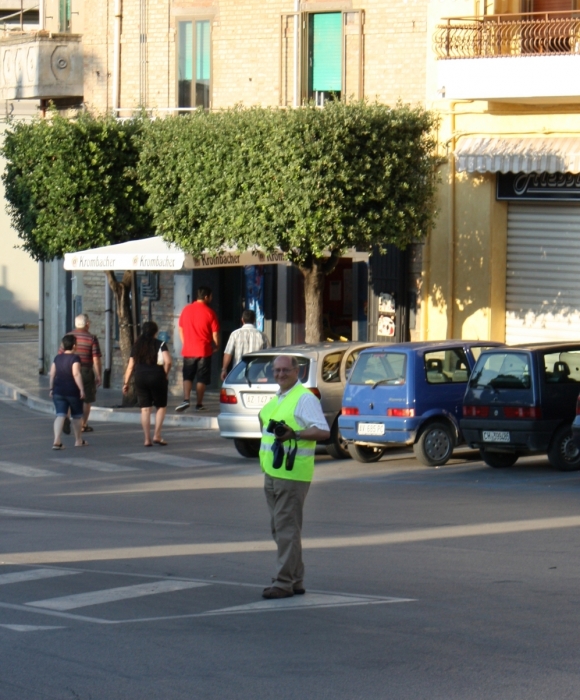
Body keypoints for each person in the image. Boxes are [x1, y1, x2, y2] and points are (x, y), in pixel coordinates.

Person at [258, 354, 330, 600]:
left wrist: (296, 434)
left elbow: (322, 431)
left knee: (286, 528)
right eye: (276, 371)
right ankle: (295, 579)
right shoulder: (281, 397)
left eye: (285, 370)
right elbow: (264, 420)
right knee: (281, 528)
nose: (280, 375)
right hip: (273, 471)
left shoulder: (304, 398)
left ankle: (284, 582)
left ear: (296, 372)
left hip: (292, 473)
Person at [122, 321, 172, 447]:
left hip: (140, 377)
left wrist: (126, 383)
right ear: (155, 332)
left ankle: (146, 439)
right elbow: (168, 361)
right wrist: (165, 374)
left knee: (145, 409)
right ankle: (157, 435)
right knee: (160, 406)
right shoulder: (160, 344)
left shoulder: (137, 346)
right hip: (157, 376)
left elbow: (130, 366)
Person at [175, 286, 220, 412]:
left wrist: (186, 342)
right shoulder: (210, 312)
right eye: (211, 296)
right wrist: (216, 345)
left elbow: (180, 329)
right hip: (204, 350)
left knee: (188, 376)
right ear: (206, 297)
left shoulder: (186, 310)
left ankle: (186, 399)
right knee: (201, 377)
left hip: (189, 350)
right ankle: (199, 404)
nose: (211, 299)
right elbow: (215, 333)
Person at [61, 313, 102, 433]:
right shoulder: (91, 338)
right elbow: (96, 358)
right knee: (86, 399)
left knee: (69, 396)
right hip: (85, 371)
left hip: (68, 370)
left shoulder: (67, 336)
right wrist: (99, 374)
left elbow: (61, 354)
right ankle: (83, 424)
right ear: (87, 324)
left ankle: (67, 417)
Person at [49, 334, 86, 449]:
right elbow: (76, 373)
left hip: (58, 391)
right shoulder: (75, 358)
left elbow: (52, 374)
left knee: (60, 415)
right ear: (74, 345)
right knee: (76, 416)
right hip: (72, 391)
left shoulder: (57, 358)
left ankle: (57, 440)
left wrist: (51, 388)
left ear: (63, 345)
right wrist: (81, 389)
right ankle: (78, 440)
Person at [220, 309, 270, 381]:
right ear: (254, 320)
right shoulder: (262, 335)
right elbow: (268, 354)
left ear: (242, 320)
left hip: (238, 373)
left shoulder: (235, 334)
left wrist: (224, 369)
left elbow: (228, 353)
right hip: (257, 375)